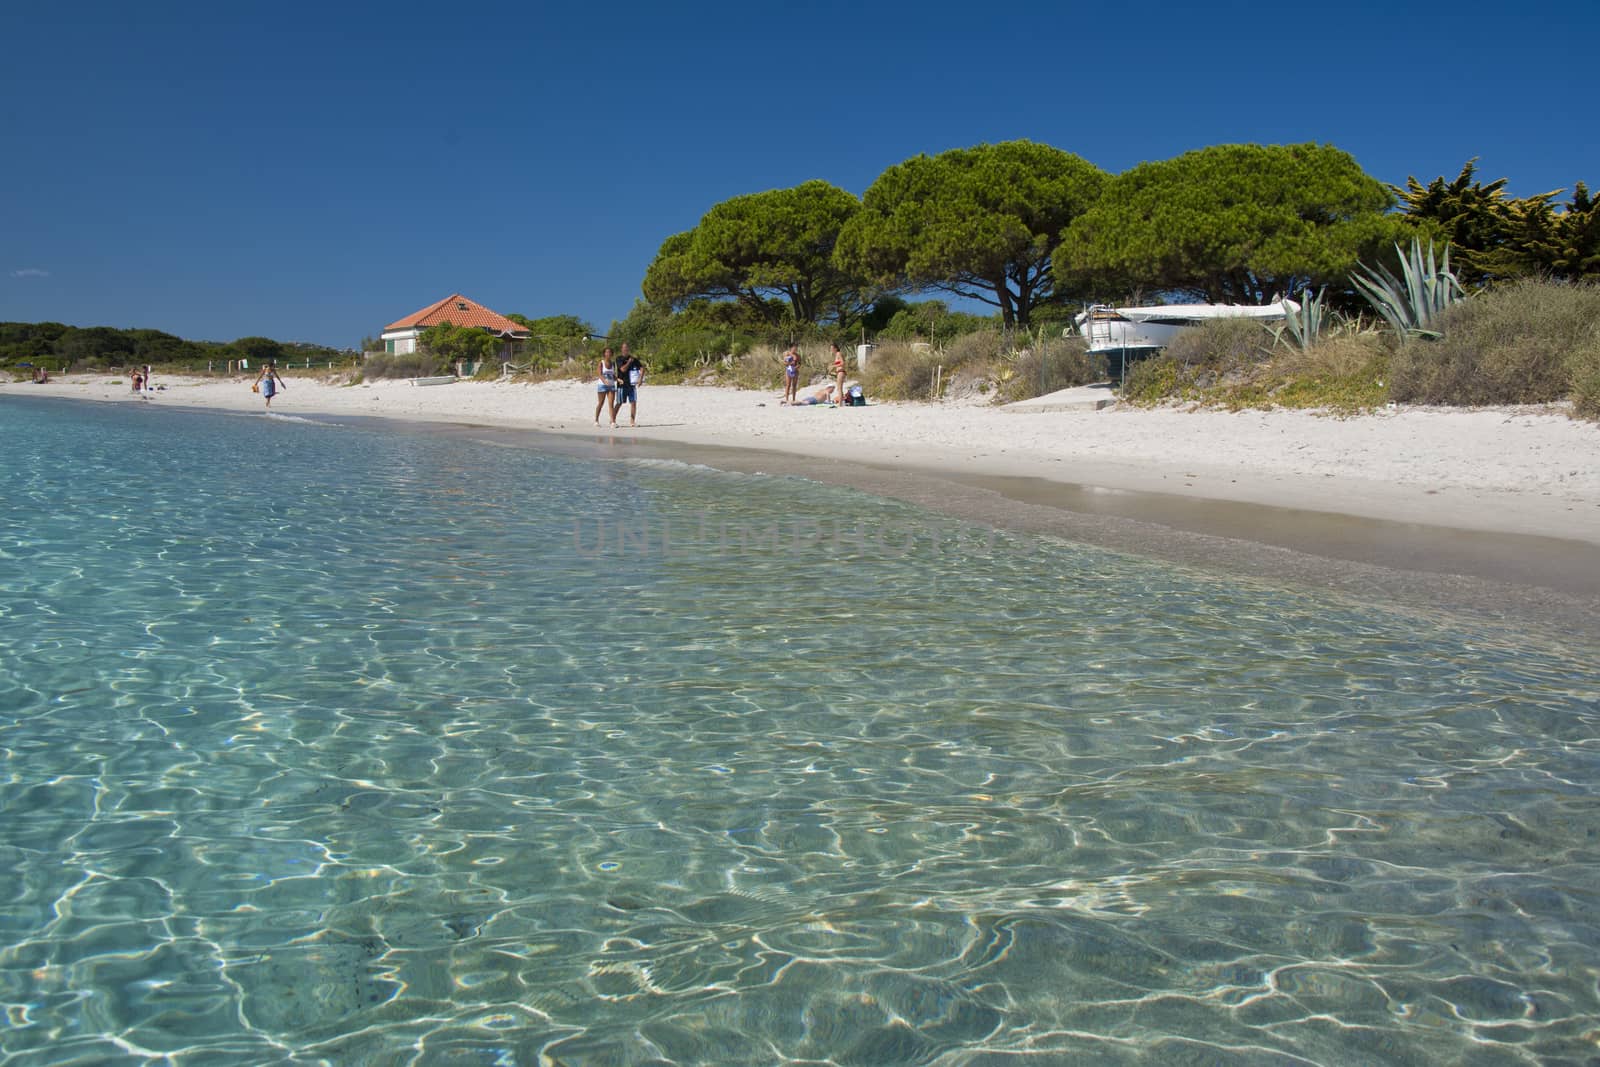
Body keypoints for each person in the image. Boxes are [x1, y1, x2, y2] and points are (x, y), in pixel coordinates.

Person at [612, 343, 642, 427]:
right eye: (624, 348)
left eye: (627, 348)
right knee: (619, 403)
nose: (625, 349)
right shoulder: (619, 359)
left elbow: (642, 368)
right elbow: (622, 369)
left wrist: (640, 378)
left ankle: (632, 422)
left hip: (631, 385)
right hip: (622, 384)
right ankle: (613, 420)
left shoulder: (633, 359)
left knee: (633, 403)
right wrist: (629, 362)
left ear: (628, 349)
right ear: (621, 349)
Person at [594, 347, 617, 425]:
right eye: (607, 352)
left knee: (611, 404)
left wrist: (618, 379)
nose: (608, 354)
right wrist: (604, 381)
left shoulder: (613, 363)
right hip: (602, 385)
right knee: (601, 403)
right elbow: (599, 374)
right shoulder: (601, 363)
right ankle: (596, 420)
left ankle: (613, 421)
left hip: (611, 385)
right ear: (604, 354)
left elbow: (613, 375)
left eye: (610, 352)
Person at [830, 343, 846, 408]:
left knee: (839, 388)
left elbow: (843, 363)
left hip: (841, 372)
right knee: (839, 388)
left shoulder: (838, 354)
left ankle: (840, 404)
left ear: (835, 348)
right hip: (839, 372)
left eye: (832, 348)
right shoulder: (837, 354)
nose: (831, 350)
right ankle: (841, 403)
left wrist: (833, 366)